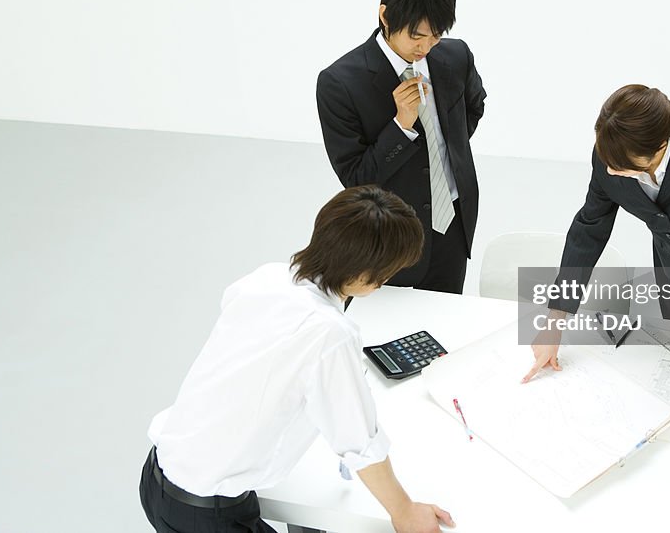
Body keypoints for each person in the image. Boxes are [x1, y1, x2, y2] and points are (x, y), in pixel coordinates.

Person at [139, 186, 455, 533]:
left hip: (157, 476)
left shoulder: (267, 276)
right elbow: (360, 445)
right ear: (367, 275)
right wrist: (406, 512)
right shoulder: (330, 334)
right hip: (208, 513)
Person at [524, 85, 670, 382]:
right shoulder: (610, 155)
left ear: (659, 148)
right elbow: (588, 230)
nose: (610, 172)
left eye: (620, 167)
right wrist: (555, 320)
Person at [316, 0, 487, 294]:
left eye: (436, 35)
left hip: (451, 223)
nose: (425, 47)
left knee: (444, 335)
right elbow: (356, 179)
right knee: (380, 337)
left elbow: (473, 107)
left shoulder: (456, 57)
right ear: (385, 16)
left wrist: (447, 145)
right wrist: (401, 125)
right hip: (386, 236)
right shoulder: (340, 83)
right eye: (416, 36)